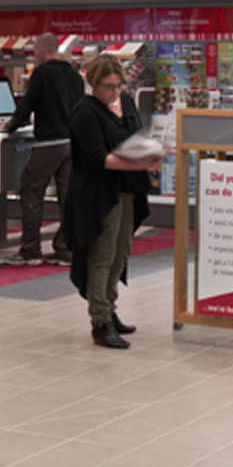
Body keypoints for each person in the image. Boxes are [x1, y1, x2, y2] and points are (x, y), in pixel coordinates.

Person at [65, 55, 162, 349]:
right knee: (102, 255)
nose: (115, 92)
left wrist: (152, 151)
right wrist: (141, 163)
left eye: (119, 85)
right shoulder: (85, 112)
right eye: (109, 86)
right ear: (94, 85)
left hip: (128, 188)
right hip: (98, 193)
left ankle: (111, 307)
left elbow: (134, 138)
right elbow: (97, 159)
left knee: (122, 251)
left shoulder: (127, 103)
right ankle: (100, 320)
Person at [4, 33, 85, 265]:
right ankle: (65, 248)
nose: (33, 54)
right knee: (67, 197)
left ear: (42, 49)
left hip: (49, 143)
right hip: (72, 143)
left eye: (34, 49)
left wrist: (10, 126)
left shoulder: (42, 73)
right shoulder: (74, 75)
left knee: (31, 190)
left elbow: (27, 106)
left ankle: (30, 251)